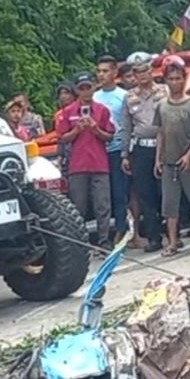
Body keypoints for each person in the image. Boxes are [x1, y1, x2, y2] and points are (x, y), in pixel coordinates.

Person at [156, 60, 190, 255]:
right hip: (169, 162)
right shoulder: (161, 105)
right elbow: (160, 132)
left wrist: (189, 155)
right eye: (171, 79)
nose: (174, 82)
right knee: (170, 207)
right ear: (166, 81)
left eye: (178, 78)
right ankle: (172, 242)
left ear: (184, 80)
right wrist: (158, 158)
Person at [57, 72, 115, 250]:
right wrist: (77, 130)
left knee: (102, 205)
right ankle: (81, 244)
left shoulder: (102, 110)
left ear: (94, 87)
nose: (85, 92)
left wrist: (95, 129)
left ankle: (104, 241)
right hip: (78, 165)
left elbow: (110, 136)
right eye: (81, 88)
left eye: (88, 87)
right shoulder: (67, 112)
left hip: (99, 163)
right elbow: (62, 138)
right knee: (78, 207)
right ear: (77, 90)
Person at [120, 51, 167, 253]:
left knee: (164, 193)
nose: (142, 75)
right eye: (137, 72)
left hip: (163, 147)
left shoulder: (164, 91)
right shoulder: (129, 97)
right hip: (140, 148)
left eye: (145, 70)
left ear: (152, 70)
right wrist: (124, 155)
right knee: (145, 194)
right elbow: (126, 127)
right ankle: (154, 237)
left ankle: (172, 233)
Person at [94, 55, 131, 243]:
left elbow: (127, 124)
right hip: (99, 152)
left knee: (120, 191)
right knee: (103, 195)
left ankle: (123, 228)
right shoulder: (94, 97)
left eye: (105, 71)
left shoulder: (123, 96)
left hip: (118, 149)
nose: (102, 75)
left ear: (115, 72)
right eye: (99, 71)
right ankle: (105, 233)